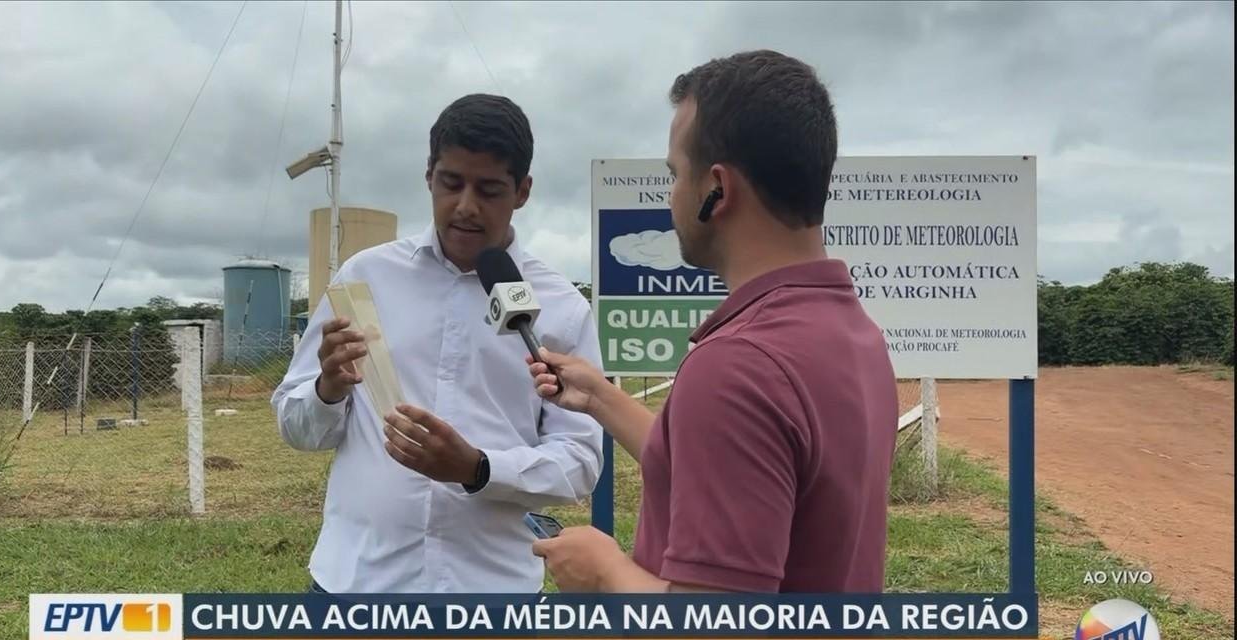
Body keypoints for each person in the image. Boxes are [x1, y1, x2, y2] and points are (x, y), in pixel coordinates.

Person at [528, 50, 898, 593]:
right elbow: (736, 466)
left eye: (675, 174)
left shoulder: (739, 367)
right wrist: (599, 397)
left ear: (717, 189)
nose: (672, 195)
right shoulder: (852, 333)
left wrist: (604, 572)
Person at [273, 94, 604, 593]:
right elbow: (297, 428)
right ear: (429, 175)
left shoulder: (560, 307)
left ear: (523, 191)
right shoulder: (365, 279)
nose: (466, 206)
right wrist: (327, 390)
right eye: (452, 183)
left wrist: (478, 468)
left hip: (490, 592)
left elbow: (580, 461)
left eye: (489, 189)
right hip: (355, 584)